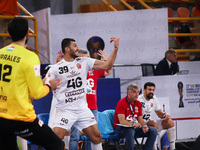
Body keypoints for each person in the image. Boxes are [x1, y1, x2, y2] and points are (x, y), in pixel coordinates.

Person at [0, 17, 64, 150]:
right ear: (27, 34)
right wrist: (49, 86)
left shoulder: (0, 53)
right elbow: (37, 93)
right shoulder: (30, 57)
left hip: (1, 117)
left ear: (9, 33)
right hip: (21, 119)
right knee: (56, 144)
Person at [46, 37, 120, 150]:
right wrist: (49, 86)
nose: (78, 48)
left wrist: (115, 49)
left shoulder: (84, 62)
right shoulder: (56, 68)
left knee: (97, 137)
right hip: (65, 110)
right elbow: (44, 83)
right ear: (67, 49)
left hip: (82, 109)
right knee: (55, 140)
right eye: (75, 46)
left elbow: (107, 66)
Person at [69, 49, 111, 150]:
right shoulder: (73, 71)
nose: (87, 61)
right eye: (85, 58)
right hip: (77, 107)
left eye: (88, 58)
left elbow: (108, 71)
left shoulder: (94, 70)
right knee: (74, 137)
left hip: (92, 108)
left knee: (91, 138)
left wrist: (106, 60)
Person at [113, 83, 157, 150]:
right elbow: (122, 121)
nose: (137, 94)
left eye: (138, 92)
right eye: (134, 92)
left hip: (133, 128)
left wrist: (143, 126)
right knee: (130, 130)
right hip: (120, 129)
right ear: (129, 92)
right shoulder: (121, 103)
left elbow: (140, 119)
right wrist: (133, 124)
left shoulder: (138, 103)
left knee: (153, 131)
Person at [138, 82, 176, 150]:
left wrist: (165, 115)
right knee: (153, 123)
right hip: (141, 125)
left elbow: (159, 114)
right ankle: (154, 148)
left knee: (170, 123)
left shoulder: (154, 98)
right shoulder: (139, 99)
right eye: (149, 89)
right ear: (144, 90)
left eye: (153, 90)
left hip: (150, 124)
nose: (151, 92)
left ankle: (173, 148)